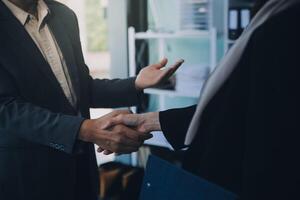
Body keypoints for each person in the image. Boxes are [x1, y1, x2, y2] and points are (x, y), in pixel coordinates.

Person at [106, 0, 300, 199]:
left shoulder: (287, 22)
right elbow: (236, 109)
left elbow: (269, 129)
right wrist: (148, 121)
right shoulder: (273, 13)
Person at [0, 0, 183, 199]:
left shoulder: (64, 15)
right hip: (27, 177)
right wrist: (83, 129)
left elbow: (81, 88)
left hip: (82, 171)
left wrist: (136, 83)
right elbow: (5, 108)